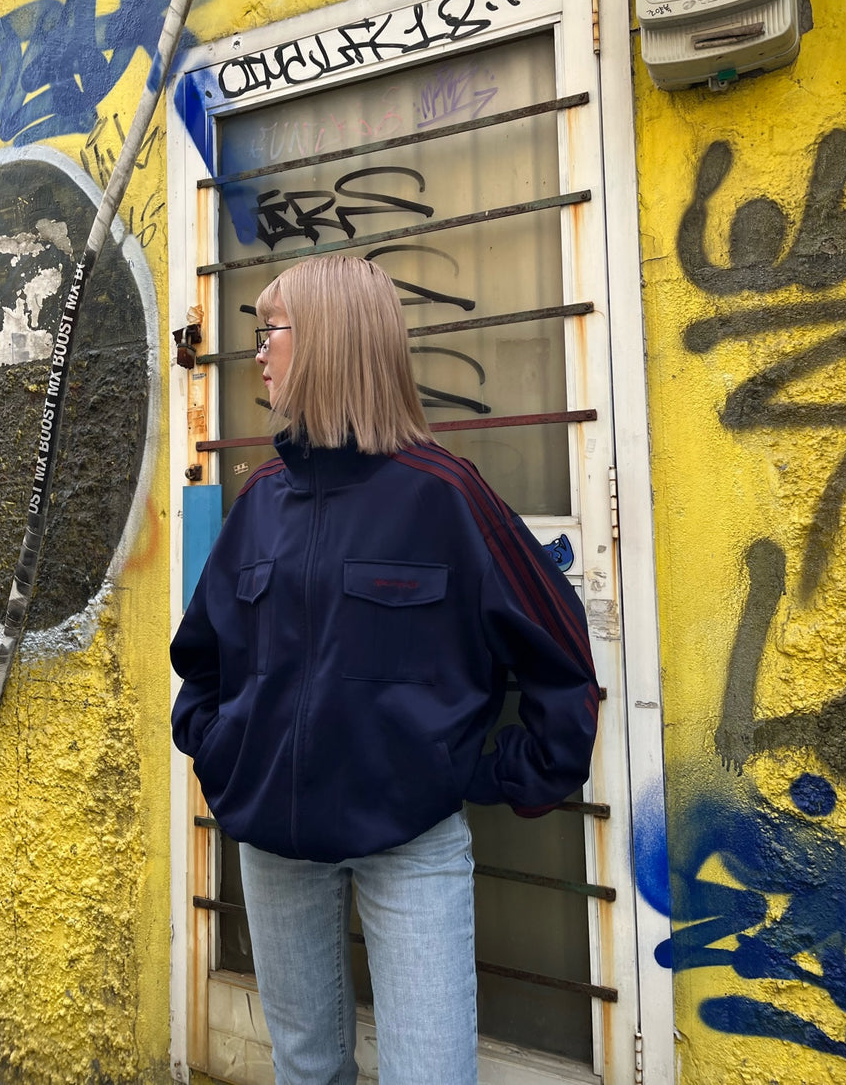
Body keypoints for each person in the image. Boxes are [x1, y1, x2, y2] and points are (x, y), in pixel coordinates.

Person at [171, 254, 598, 1085]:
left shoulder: (444, 496)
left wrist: (482, 768)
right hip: (274, 844)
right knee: (305, 1067)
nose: (256, 357)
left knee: (430, 1074)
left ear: (330, 340)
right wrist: (226, 752)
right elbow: (203, 659)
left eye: (268, 334)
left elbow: (559, 653)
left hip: (411, 846)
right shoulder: (261, 502)